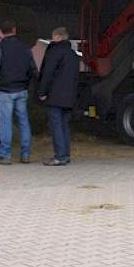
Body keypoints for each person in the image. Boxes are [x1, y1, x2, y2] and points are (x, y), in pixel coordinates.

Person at [0, 19, 36, 165]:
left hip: (4, 90)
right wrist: (27, 84)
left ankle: (5, 155)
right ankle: (25, 154)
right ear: (14, 30)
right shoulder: (25, 48)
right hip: (21, 89)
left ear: (1, 32)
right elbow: (32, 69)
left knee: (5, 122)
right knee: (23, 122)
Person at [37, 27, 80, 166]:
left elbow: (47, 73)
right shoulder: (73, 54)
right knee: (65, 126)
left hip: (55, 95)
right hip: (69, 95)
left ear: (57, 36)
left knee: (56, 126)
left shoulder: (54, 52)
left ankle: (59, 156)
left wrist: (42, 92)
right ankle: (65, 154)